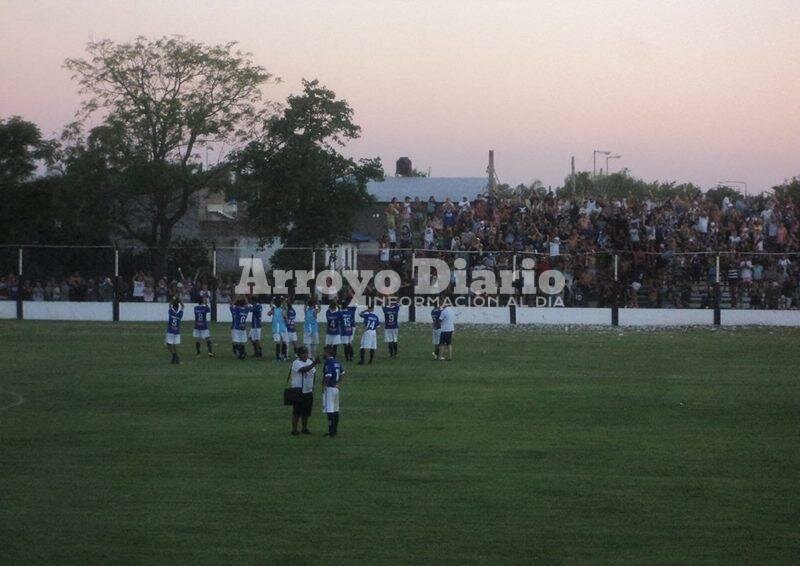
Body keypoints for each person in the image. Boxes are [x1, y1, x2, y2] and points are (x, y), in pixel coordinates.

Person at [288, 346, 318, 435]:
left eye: (306, 353)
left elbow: (313, 373)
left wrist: (313, 386)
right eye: (303, 353)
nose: (305, 355)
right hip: (298, 390)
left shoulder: (309, 361)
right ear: (299, 355)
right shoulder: (296, 363)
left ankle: (304, 428)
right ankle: (294, 429)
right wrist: (314, 363)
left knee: (306, 411)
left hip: (308, 390)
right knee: (296, 411)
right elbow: (303, 370)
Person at [322, 346, 345, 437]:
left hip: (330, 388)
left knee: (330, 410)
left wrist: (324, 386)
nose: (323, 354)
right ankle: (334, 431)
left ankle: (331, 432)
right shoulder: (337, 362)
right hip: (335, 388)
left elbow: (328, 375)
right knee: (335, 410)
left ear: (328, 352)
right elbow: (343, 373)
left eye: (324, 352)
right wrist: (337, 383)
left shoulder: (329, 362)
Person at [268, 296, 289, 362]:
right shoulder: (283, 310)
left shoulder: (273, 309)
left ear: (275, 304)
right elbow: (285, 317)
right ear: (281, 304)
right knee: (284, 342)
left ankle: (278, 358)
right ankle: (285, 356)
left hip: (276, 328)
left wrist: (273, 299)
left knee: (277, 343)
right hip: (283, 328)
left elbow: (268, 313)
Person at [165, 297, 183, 364]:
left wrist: (173, 299)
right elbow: (183, 307)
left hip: (170, 331)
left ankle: (174, 355)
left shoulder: (170, 312)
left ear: (173, 307)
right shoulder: (179, 314)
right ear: (178, 307)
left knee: (168, 345)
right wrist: (180, 301)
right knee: (175, 345)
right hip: (177, 332)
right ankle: (176, 357)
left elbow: (169, 304)